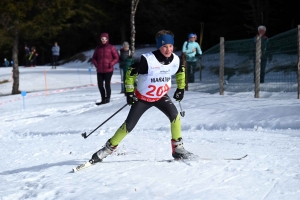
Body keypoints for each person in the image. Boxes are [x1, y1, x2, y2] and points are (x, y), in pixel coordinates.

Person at [89, 30, 193, 164]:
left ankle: (178, 149)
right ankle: (107, 149)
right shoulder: (148, 60)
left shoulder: (175, 60)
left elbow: (180, 71)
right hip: (143, 98)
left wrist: (180, 88)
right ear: (158, 46)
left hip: (161, 96)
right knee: (129, 125)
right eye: (164, 46)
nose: (168, 50)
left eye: (170, 46)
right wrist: (130, 92)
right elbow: (131, 72)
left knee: (175, 117)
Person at [92, 32, 119, 105]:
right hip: (100, 70)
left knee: (107, 84)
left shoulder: (111, 47)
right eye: (102, 39)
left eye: (105, 39)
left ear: (107, 39)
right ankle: (103, 99)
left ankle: (108, 99)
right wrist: (96, 65)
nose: (103, 40)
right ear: (100, 39)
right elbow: (94, 58)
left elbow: (116, 58)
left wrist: (111, 63)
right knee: (100, 85)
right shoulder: (98, 48)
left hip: (108, 69)